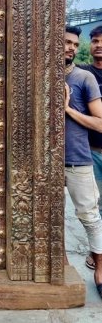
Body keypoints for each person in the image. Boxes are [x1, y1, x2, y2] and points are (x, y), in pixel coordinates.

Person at [64, 25, 102, 299]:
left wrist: (66, 109)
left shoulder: (84, 78)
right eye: (66, 42)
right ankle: (61, 263)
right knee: (48, 219)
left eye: (75, 45)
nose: (71, 48)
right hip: (43, 162)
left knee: (89, 216)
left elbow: (100, 124)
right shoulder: (40, 75)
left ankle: (100, 269)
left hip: (78, 158)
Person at [78, 25, 102, 270]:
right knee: (94, 205)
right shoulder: (83, 74)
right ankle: (96, 254)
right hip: (92, 151)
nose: (98, 46)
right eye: (95, 41)